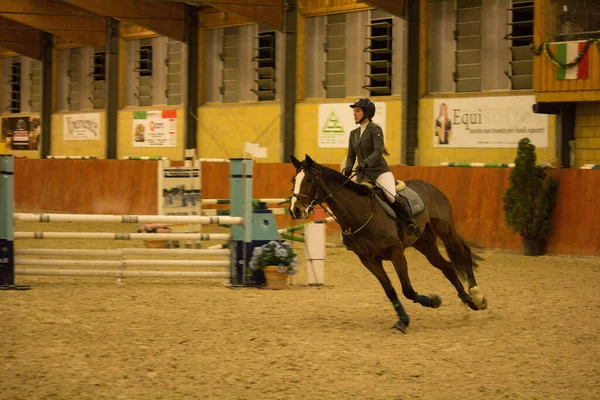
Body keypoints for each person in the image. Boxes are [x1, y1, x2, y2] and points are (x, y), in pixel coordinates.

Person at [342, 98, 420, 236]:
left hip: (379, 172)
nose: (354, 113)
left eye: (357, 111)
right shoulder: (353, 134)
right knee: (353, 199)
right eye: (354, 111)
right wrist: (348, 167)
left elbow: (378, 152)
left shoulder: (375, 129)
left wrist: (364, 163)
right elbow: (350, 156)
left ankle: (409, 222)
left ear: (366, 113)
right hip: (363, 175)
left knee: (390, 196)